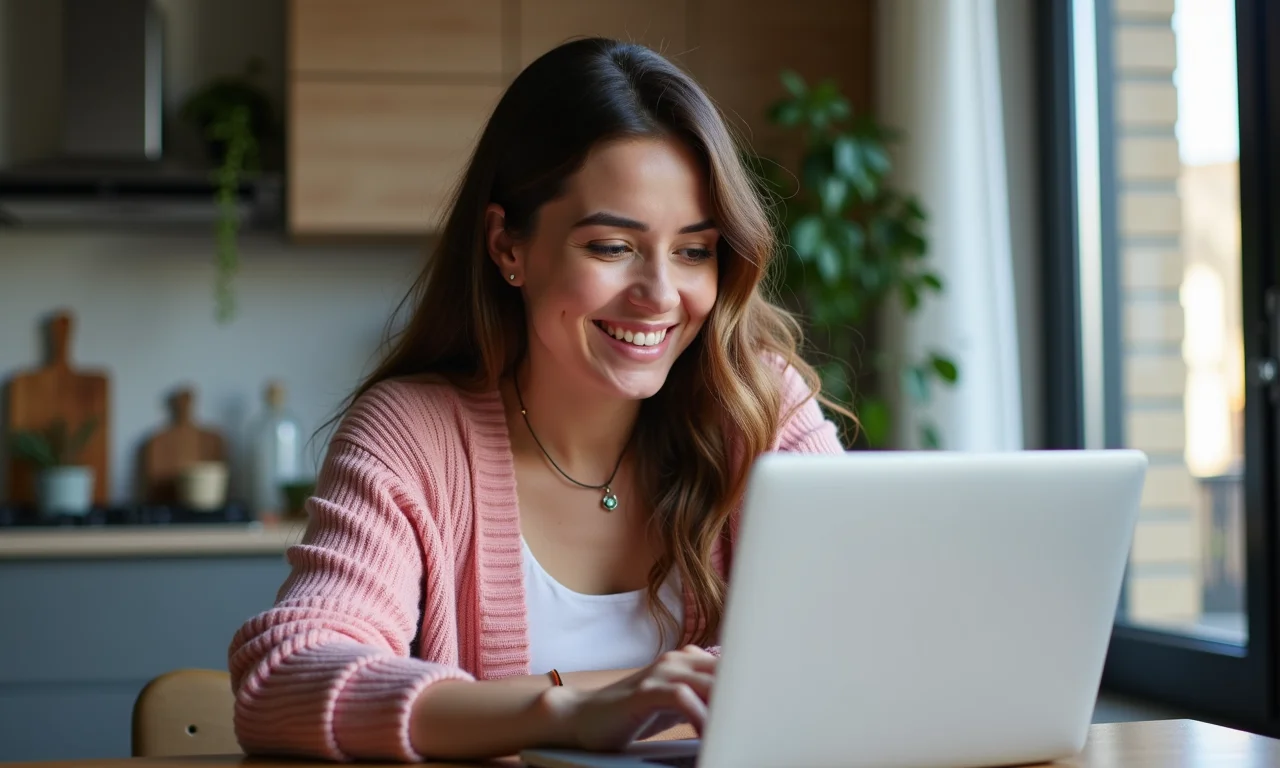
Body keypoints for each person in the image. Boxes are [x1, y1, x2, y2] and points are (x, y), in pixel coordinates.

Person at [228, 37, 846, 763]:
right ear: (508, 247)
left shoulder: (758, 404)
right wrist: (567, 711)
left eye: (693, 250)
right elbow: (284, 678)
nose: (659, 296)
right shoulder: (415, 434)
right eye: (612, 247)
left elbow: (869, 636)